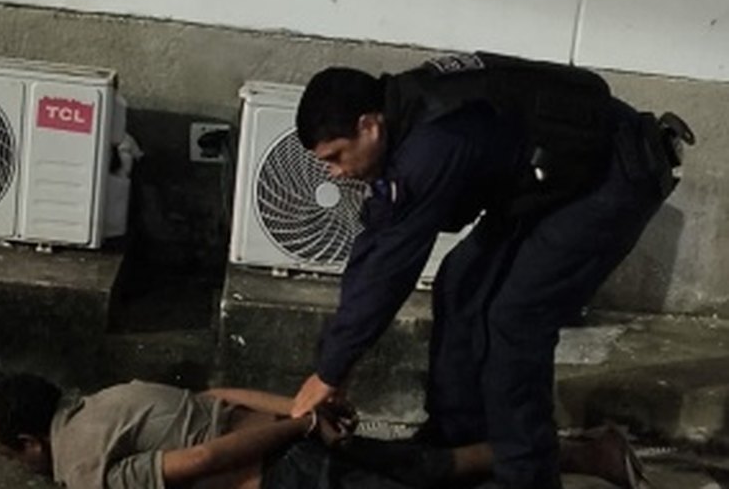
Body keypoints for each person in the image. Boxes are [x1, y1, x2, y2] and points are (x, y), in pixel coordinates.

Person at [290, 51, 693, 489]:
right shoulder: (406, 114)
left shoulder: (432, 143)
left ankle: (527, 476)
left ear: (369, 126)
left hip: (610, 177)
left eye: (336, 156)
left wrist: (329, 373)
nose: (335, 173)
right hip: (548, 181)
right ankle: (457, 444)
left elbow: (390, 268)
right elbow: (376, 247)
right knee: (460, 284)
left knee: (516, 318)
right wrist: (336, 365)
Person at [0, 373, 646, 489]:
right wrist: (303, 408)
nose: (22, 468)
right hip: (291, 440)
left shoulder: (81, 467)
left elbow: (202, 460)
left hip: (285, 470)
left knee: (428, 476)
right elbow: (214, 397)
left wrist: (300, 424)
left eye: (14, 458)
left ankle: (587, 454)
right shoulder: (112, 397)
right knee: (430, 466)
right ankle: (584, 452)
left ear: (30, 443)